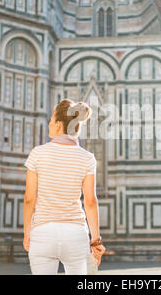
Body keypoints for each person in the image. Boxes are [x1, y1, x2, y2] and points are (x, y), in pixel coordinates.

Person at [23, 99, 106, 275]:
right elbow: (90, 201)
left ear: (59, 125)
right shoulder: (87, 158)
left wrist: (27, 232)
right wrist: (96, 241)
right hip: (75, 234)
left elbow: (29, 199)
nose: (49, 124)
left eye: (51, 120)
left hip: (42, 233)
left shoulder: (37, 153)